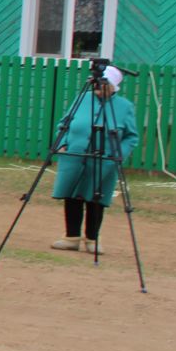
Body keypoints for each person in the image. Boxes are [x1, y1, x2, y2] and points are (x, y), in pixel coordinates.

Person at [52, 65, 139, 254]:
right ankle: (71, 237)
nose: (98, 87)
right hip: (75, 155)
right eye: (97, 83)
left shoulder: (124, 107)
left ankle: (92, 239)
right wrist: (62, 142)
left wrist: (118, 155)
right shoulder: (83, 98)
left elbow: (132, 137)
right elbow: (64, 123)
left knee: (96, 198)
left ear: (113, 86)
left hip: (104, 160)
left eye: (103, 84)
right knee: (72, 194)